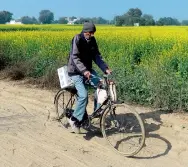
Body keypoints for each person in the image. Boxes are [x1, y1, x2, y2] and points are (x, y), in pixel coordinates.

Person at [67, 22, 111, 133]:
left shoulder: (92, 41)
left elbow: (96, 56)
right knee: (83, 96)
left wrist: (105, 68)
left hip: (88, 71)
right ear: (85, 31)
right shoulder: (77, 39)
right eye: (90, 33)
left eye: (93, 33)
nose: (91, 35)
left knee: (102, 86)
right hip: (76, 72)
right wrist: (84, 70)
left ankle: (97, 112)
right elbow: (75, 57)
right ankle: (74, 119)